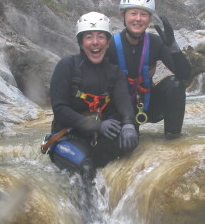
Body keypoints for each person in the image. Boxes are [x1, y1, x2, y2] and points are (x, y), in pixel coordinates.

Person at [43, 11, 139, 180]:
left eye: (101, 37)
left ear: (108, 42)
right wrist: (97, 126)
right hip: (69, 137)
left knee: (131, 136)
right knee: (86, 168)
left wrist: (129, 124)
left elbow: (124, 103)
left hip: (98, 139)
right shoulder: (67, 66)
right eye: (89, 37)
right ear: (81, 42)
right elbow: (59, 108)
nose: (95, 42)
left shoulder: (114, 72)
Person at [106, 0, 192, 139]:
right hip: (121, 108)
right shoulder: (111, 45)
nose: (138, 19)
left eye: (143, 14)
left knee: (175, 84)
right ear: (123, 16)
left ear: (149, 19)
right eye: (133, 13)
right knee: (129, 143)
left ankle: (173, 138)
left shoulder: (155, 42)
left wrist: (173, 47)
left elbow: (185, 75)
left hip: (148, 105)